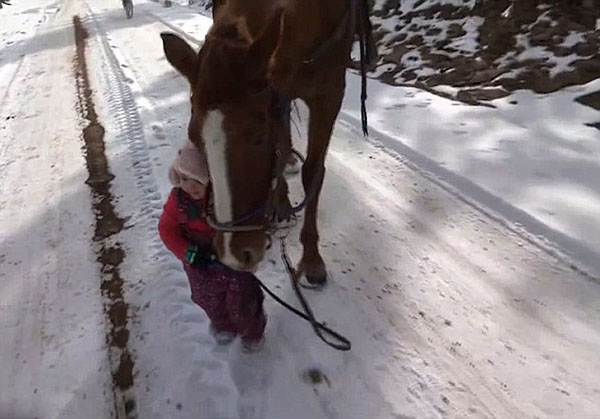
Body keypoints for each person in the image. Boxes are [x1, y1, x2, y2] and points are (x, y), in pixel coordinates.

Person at [158, 140, 267, 353]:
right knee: (208, 298)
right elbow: (166, 229)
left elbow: (245, 224)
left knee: (244, 299)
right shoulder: (178, 200)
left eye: (198, 180)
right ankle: (223, 326)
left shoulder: (222, 198)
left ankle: (252, 333)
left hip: (229, 259)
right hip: (199, 263)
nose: (192, 186)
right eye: (186, 179)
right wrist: (188, 253)